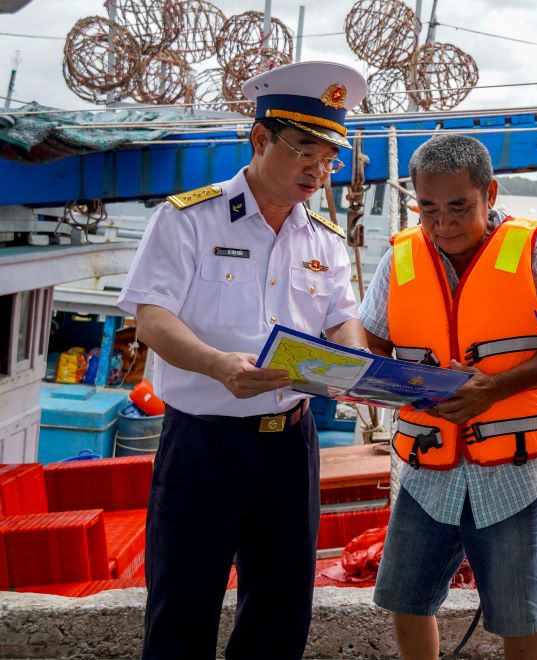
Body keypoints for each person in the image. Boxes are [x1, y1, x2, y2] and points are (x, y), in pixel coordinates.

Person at [116, 61, 368, 659]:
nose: (318, 169)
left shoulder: (326, 240)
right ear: (260, 139)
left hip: (290, 442)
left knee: (282, 608)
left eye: (329, 157)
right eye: (305, 150)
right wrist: (217, 366)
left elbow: (341, 314)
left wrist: (355, 360)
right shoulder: (188, 218)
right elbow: (151, 319)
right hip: (205, 442)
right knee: (183, 603)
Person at [363, 134, 537, 659]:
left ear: (489, 192)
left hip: (515, 469)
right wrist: (395, 378)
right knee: (407, 601)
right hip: (424, 468)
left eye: (459, 207)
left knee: (520, 615)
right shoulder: (400, 256)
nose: (443, 224)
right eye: (429, 209)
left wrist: (497, 387)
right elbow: (371, 337)